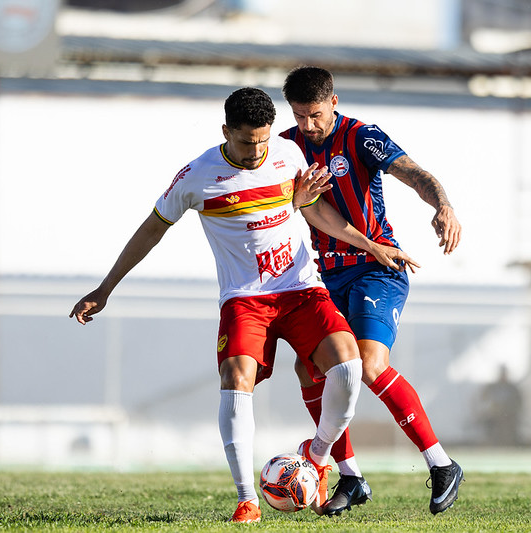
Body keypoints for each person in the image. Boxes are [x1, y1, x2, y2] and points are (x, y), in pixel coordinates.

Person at [69, 87, 417, 523]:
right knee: (236, 377)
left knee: (348, 367)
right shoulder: (197, 176)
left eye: (263, 141)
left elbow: (313, 209)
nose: (256, 152)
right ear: (226, 132)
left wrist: (370, 246)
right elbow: (150, 232)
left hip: (302, 289)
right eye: (246, 142)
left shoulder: (288, 154)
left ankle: (319, 456)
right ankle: (246, 499)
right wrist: (105, 288)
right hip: (245, 300)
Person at [281, 66, 464, 516]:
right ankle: (350, 476)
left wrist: (443, 205)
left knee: (368, 363)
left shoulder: (362, 137)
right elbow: (299, 208)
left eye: (316, 114)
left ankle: (441, 465)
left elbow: (415, 174)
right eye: (300, 115)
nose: (308, 125)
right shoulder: (286, 147)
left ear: (334, 103)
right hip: (326, 276)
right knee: (309, 372)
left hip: (377, 267)